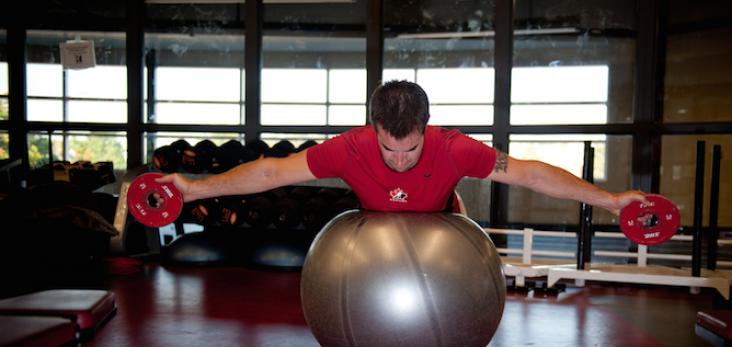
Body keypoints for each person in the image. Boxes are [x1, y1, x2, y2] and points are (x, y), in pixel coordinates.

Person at [158, 80, 644, 216]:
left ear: (427, 129)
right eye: (388, 150)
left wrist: (613, 200)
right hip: (374, 238)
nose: (397, 161)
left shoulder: (454, 148)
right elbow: (270, 173)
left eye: (408, 152)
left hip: (441, 229)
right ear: (373, 127)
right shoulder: (349, 147)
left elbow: (530, 174)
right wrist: (192, 190)